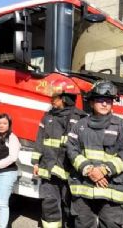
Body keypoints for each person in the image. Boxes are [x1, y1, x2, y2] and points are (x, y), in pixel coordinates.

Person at [66, 80, 123, 228]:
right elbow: (71, 149)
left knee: (110, 224)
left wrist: (104, 170)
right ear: (91, 103)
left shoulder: (122, 126)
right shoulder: (79, 126)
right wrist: (89, 169)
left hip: (112, 188)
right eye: (100, 100)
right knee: (83, 224)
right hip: (84, 186)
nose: (105, 104)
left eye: (108, 101)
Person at [32, 79, 88, 228]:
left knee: (71, 207)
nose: (51, 101)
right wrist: (36, 162)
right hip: (48, 170)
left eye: (54, 98)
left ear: (65, 98)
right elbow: (40, 139)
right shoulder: (48, 116)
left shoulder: (80, 119)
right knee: (49, 204)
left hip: (70, 172)